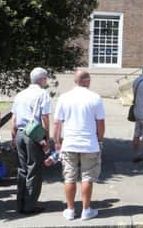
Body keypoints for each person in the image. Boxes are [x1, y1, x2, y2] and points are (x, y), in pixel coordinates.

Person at [53, 69, 105, 221]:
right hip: (89, 143)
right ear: (87, 81)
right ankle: (86, 209)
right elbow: (100, 122)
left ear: (75, 81)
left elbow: (57, 123)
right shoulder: (95, 98)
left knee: (69, 177)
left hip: (69, 142)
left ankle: (69, 209)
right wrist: (100, 140)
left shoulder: (64, 97)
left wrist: (57, 141)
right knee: (87, 177)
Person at [11, 67, 52, 215]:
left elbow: (14, 118)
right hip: (33, 134)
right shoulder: (43, 94)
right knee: (34, 169)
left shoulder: (20, 94)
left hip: (20, 133)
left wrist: (13, 136)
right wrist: (46, 137)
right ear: (42, 79)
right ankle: (30, 205)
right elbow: (44, 118)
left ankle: (20, 203)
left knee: (22, 169)